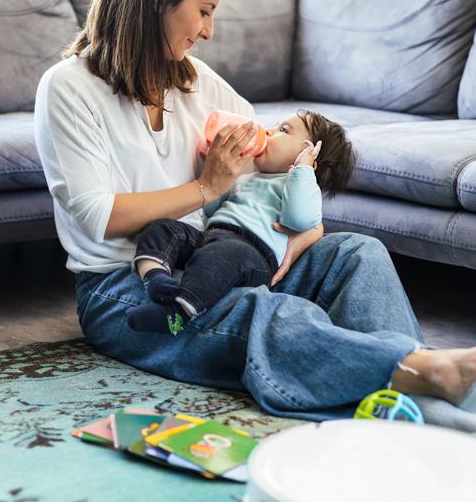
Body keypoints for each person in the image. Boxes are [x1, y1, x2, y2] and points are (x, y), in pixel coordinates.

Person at [34, 0, 476, 433]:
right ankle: (436, 375)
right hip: (126, 287)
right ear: (158, 1)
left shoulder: (194, 83)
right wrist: (205, 189)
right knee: (264, 313)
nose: (208, 31)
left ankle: (417, 397)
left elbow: (271, 157)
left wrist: (306, 231)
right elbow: (98, 216)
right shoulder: (69, 88)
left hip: (213, 256)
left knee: (357, 255)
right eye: (204, 11)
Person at [125, 109, 355, 335]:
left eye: (283, 130)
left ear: (310, 155)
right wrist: (216, 174)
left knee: (217, 257)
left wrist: (303, 169)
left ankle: (176, 314)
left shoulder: (299, 187)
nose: (267, 130)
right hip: (212, 235)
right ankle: (155, 278)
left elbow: (299, 218)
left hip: (251, 253)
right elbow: (213, 208)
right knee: (163, 227)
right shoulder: (248, 177)